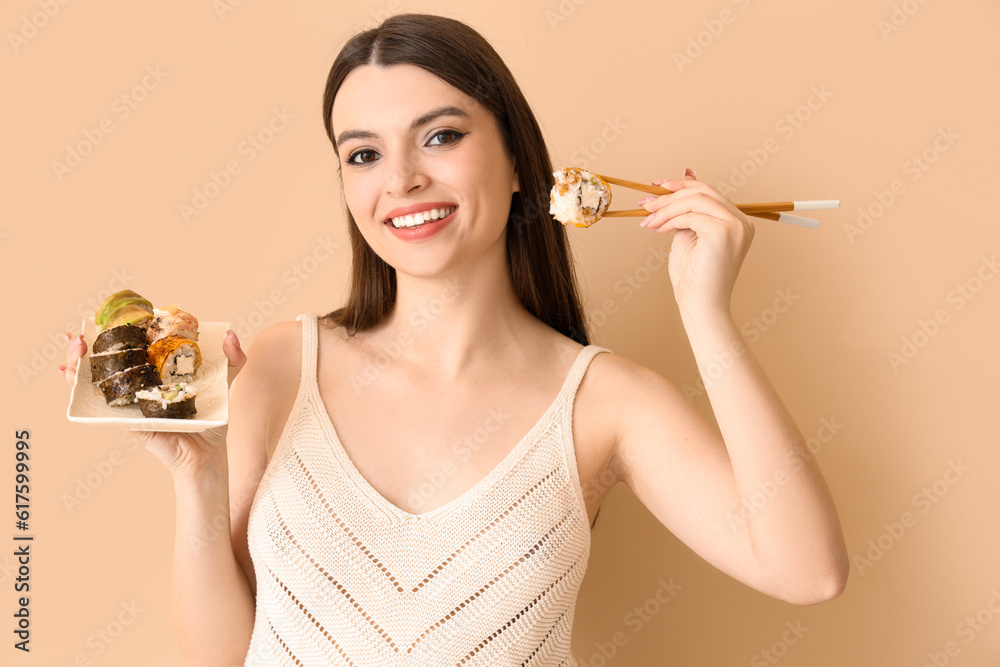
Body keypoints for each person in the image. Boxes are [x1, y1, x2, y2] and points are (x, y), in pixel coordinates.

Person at [62, 13, 848, 666]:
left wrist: (706, 313)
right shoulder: (282, 361)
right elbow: (221, 656)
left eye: (438, 137)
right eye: (363, 154)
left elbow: (808, 571)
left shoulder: (604, 401)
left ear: (515, 162)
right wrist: (196, 478)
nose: (400, 179)